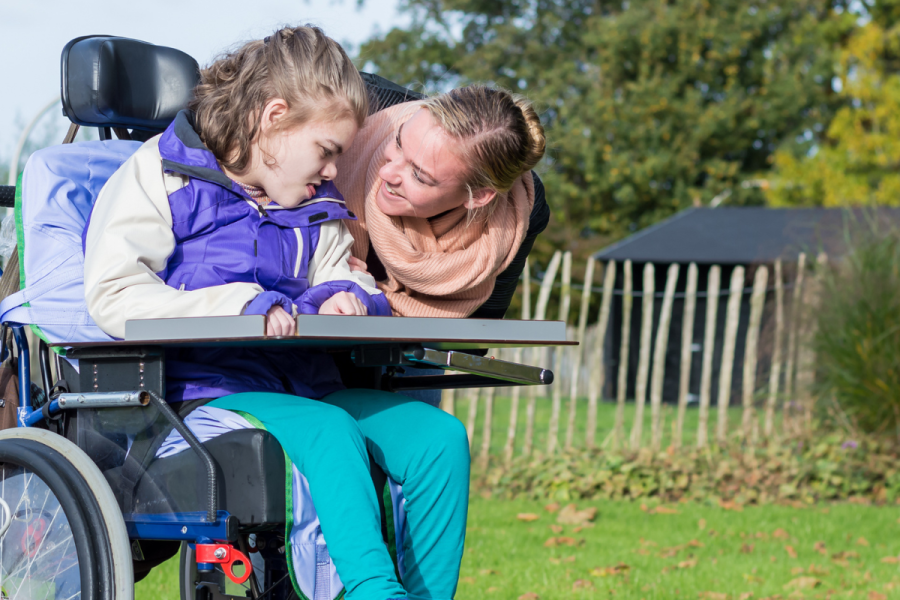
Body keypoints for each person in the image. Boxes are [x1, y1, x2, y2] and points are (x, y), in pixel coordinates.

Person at [83, 26, 469, 600]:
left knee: (438, 437)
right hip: (203, 393)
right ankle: (373, 592)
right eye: (327, 150)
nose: (335, 170)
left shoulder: (318, 204)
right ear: (274, 117)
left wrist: (349, 298)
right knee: (329, 429)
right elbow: (113, 295)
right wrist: (238, 303)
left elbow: (339, 272)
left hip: (303, 386)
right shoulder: (159, 177)